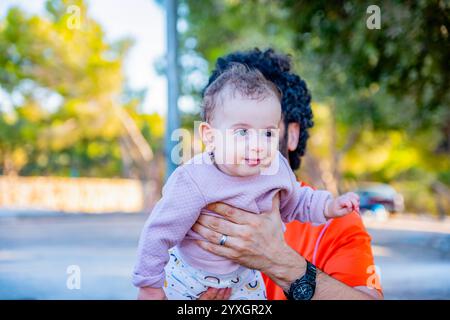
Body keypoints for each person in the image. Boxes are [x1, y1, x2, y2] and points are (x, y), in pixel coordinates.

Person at [132, 63, 360, 300]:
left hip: (243, 277)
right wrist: (149, 285)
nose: (258, 144)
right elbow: (159, 232)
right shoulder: (193, 178)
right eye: (242, 132)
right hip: (189, 274)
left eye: (268, 133)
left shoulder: (275, 168)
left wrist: (327, 206)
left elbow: (297, 200)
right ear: (210, 137)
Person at [192, 48, 383, 300]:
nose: (251, 144)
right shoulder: (195, 211)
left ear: (291, 134)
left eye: (266, 129)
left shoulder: (336, 222)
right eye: (238, 130)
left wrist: (278, 260)